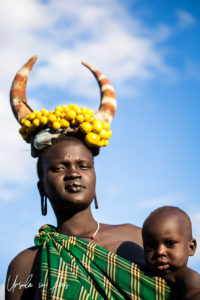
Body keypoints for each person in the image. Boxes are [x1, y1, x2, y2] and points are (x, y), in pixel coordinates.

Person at [6, 56, 176, 299]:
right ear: (41, 187)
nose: (73, 173)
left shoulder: (137, 237)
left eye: (83, 165)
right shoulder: (24, 265)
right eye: (59, 168)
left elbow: (187, 286)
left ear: (95, 179)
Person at [142, 206, 200, 300]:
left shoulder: (188, 280)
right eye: (151, 247)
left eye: (170, 243)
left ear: (191, 247)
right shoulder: (142, 275)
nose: (160, 252)